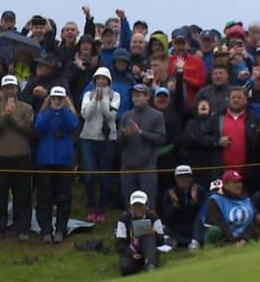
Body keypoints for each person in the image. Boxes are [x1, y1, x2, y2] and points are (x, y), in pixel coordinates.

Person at [0, 75, 34, 242]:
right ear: (2, 90)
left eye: (12, 88)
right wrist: (4, 114)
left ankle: (22, 228)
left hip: (21, 156)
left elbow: (27, 128)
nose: (10, 91)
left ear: (17, 89)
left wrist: (11, 115)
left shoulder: (26, 108)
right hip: (1, 155)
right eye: (6, 88)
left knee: (23, 194)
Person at [34, 86, 79, 244]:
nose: (57, 101)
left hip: (64, 161)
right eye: (54, 98)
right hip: (45, 160)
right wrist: (51, 110)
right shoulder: (44, 113)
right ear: (50, 98)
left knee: (63, 198)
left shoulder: (69, 114)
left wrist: (63, 110)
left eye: (60, 98)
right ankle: (46, 229)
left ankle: (61, 229)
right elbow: (38, 127)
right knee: (44, 197)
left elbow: (72, 126)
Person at [80, 67, 121, 222]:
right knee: (89, 174)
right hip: (88, 138)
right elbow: (86, 115)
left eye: (104, 79)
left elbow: (110, 116)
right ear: (94, 80)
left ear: (109, 81)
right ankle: (91, 206)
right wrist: (94, 101)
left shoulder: (115, 96)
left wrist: (103, 99)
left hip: (107, 140)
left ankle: (102, 208)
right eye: (98, 79)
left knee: (105, 176)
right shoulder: (87, 95)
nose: (101, 82)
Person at [119, 83, 166, 205]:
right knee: (129, 203)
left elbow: (161, 138)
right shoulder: (126, 116)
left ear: (147, 97)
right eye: (134, 96)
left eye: (139, 95)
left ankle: (149, 224)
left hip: (147, 167)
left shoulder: (157, 115)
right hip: (127, 166)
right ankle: (129, 224)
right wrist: (125, 135)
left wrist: (141, 133)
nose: (136, 98)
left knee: (148, 203)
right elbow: (118, 143)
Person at [115, 190, 165, 276]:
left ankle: (150, 263)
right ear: (131, 207)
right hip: (131, 250)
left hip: (148, 247)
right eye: (135, 206)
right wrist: (132, 253)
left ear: (146, 205)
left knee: (148, 236)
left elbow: (161, 241)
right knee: (125, 268)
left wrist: (154, 234)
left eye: (141, 205)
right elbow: (120, 244)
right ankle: (141, 264)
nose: (138, 209)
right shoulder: (124, 219)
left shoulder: (153, 217)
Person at [204, 170, 258, 247]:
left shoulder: (246, 198)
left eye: (240, 182)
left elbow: (251, 222)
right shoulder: (214, 200)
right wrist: (234, 242)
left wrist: (244, 240)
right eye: (235, 183)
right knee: (214, 230)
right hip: (224, 237)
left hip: (244, 237)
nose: (239, 185)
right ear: (226, 185)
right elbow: (220, 223)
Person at [161, 165, 206, 251]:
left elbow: (204, 213)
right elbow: (168, 220)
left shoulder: (199, 191)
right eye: (180, 177)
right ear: (176, 179)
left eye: (187, 177)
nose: (184, 180)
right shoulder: (170, 194)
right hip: (179, 227)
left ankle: (194, 242)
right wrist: (175, 206)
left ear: (191, 178)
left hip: (196, 227)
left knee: (200, 222)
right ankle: (187, 243)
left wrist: (195, 203)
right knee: (164, 231)